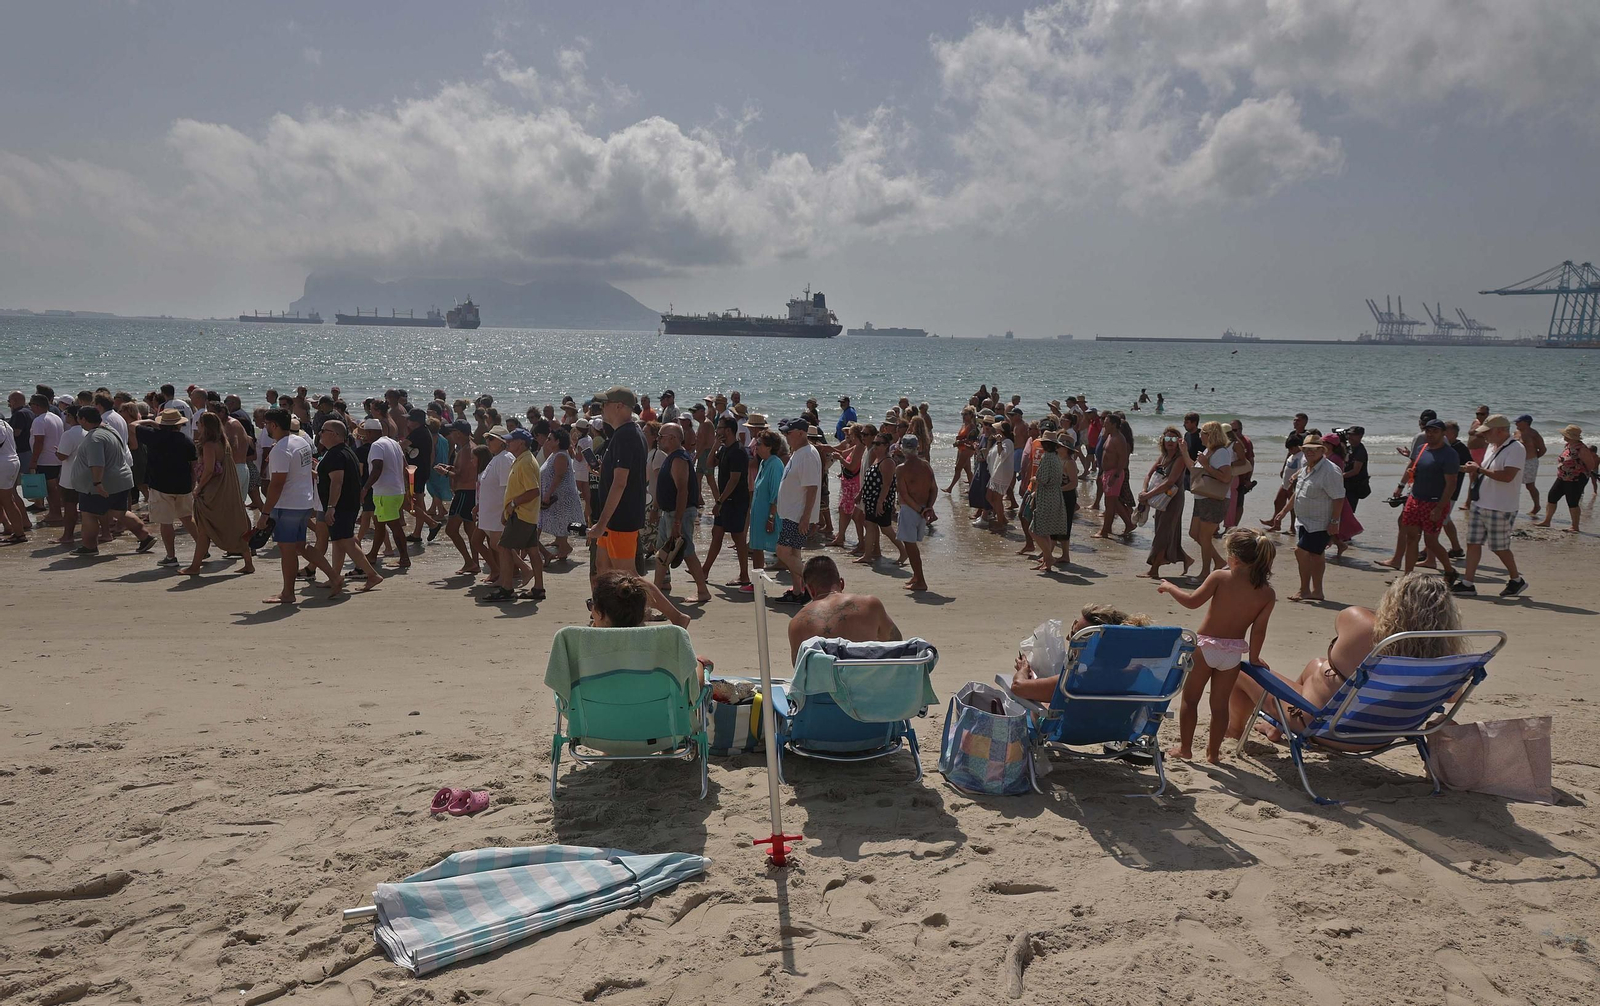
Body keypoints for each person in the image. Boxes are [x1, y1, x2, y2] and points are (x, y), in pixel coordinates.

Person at [1229, 571, 1464, 749]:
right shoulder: (1444, 662)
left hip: (1325, 729)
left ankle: (1233, 733)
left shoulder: (1361, 624)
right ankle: (1275, 726)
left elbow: (1342, 622)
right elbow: (1453, 697)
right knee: (1317, 665)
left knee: (1239, 670)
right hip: (1381, 736)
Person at [1157, 527, 1277, 763]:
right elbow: (1259, 629)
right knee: (1220, 707)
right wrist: (1253, 658)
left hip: (1205, 648)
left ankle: (1186, 749)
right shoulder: (1267, 593)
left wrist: (1170, 587)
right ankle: (1213, 754)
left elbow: (1192, 603)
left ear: (1233, 558)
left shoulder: (1220, 577)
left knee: (1190, 701)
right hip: (1232, 653)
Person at [1009, 603, 1153, 702]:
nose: (1068, 638)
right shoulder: (1139, 675)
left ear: (1094, 646)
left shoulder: (1074, 681)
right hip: (1120, 730)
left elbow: (1018, 687)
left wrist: (1023, 669)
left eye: (1075, 635)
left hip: (1070, 732)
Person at [66, 406, 156, 557]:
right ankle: (145, 537)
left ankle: (89, 546)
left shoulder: (95, 438)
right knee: (120, 512)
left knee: (89, 514)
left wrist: (97, 483)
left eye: (79, 419)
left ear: (83, 419)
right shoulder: (110, 430)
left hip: (100, 485)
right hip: (119, 479)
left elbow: (97, 463)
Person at [1455, 414, 1526, 597]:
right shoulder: (1492, 446)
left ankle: (1516, 580)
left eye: (1487, 432)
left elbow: (1507, 476)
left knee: (1499, 547)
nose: (1483, 435)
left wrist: (1478, 469)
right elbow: (1486, 472)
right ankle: (1468, 583)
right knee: (1473, 543)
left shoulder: (1516, 448)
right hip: (1481, 503)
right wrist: (1471, 469)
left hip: (1500, 506)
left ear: (1500, 430)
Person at [786, 555, 902, 661]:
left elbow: (800, 669)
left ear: (810, 589)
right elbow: (896, 644)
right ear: (841, 583)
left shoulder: (796, 623)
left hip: (825, 683)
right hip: (868, 682)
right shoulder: (870, 605)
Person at [1270, 436, 1343, 602]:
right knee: (1316, 555)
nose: (1309, 452)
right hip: (1303, 521)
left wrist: (1334, 522)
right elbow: (1298, 493)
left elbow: (1339, 498)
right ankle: (1317, 591)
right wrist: (1283, 512)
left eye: (1313, 449)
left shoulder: (1330, 471)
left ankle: (1304, 590)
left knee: (1300, 551)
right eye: (1306, 449)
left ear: (1322, 450)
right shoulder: (1305, 468)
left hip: (1320, 522)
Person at [588, 386, 649, 584]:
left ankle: (673, 615)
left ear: (619, 406)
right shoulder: (627, 433)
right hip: (615, 517)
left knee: (628, 575)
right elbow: (628, 475)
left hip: (621, 517)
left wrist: (601, 523)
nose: (601, 408)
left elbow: (620, 483)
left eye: (605, 404)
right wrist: (603, 472)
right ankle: (606, 613)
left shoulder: (625, 435)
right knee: (603, 569)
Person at [315, 419, 382, 593]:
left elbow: (337, 482)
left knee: (346, 541)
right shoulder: (344, 451)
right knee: (338, 541)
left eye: (323, 430)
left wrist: (331, 507)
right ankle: (335, 576)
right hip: (348, 504)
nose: (320, 433)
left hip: (341, 505)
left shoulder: (336, 454)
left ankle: (372, 574)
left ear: (335, 434)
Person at [256, 409, 314, 600]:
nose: (265, 428)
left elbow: (277, 484)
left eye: (266, 424)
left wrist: (265, 513)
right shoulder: (301, 441)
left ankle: (288, 592)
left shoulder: (280, 449)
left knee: (287, 550)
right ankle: (332, 575)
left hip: (288, 505)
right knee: (299, 546)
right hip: (303, 501)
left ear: (274, 425)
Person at [653, 422, 711, 603]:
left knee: (686, 550)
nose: (658, 440)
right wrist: (656, 508)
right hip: (668, 512)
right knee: (662, 549)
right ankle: (657, 588)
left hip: (679, 513)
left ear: (672, 438)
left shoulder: (679, 459)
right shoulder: (671, 457)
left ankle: (702, 590)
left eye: (661, 436)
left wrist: (677, 521)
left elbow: (682, 491)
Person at [1397, 419, 1458, 581]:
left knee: (1430, 542)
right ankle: (1407, 577)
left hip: (1434, 502)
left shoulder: (1449, 454)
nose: (1430, 434)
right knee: (1411, 538)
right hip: (1415, 498)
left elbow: (1451, 484)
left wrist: (1439, 508)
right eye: (1428, 431)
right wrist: (1402, 484)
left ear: (1443, 433)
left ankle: (1450, 570)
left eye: (1435, 431)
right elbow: (1414, 470)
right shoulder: (1421, 448)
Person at [136, 409, 198, 565]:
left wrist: (149, 422)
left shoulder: (153, 436)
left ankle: (171, 556)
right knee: (187, 518)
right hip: (183, 485)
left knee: (166, 522)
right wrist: (193, 484)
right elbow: (194, 466)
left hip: (160, 485)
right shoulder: (186, 440)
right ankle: (203, 548)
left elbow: (132, 425)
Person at [771, 418, 822, 601]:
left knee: (783, 551)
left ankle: (817, 586)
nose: (786, 436)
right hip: (791, 513)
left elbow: (812, 488)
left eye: (789, 433)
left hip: (797, 515)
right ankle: (798, 592)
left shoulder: (807, 454)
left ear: (801, 433)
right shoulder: (799, 452)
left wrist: (806, 518)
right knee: (793, 552)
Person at [496, 428, 545, 601]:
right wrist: (508, 508)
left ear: (521, 443)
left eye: (511, 440)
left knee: (504, 547)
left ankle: (507, 588)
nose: (507, 442)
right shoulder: (522, 459)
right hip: (526, 514)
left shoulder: (525, 462)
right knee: (532, 550)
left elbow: (533, 491)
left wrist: (512, 505)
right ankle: (539, 588)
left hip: (521, 514)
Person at [704, 416, 751, 588]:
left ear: (728, 430)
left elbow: (734, 479)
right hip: (725, 501)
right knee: (716, 534)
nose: (717, 430)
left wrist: (720, 501)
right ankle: (704, 571)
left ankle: (744, 575)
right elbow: (710, 464)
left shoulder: (738, 451)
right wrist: (716, 445)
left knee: (738, 538)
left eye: (720, 427)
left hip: (736, 501)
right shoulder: (725, 449)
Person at [1140, 426, 1191, 579]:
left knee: (1163, 533)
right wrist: (1144, 491)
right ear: (1163, 440)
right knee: (1163, 530)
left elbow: (1170, 482)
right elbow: (1149, 474)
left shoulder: (1180, 458)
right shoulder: (1162, 457)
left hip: (1173, 499)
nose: (1170, 442)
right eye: (1167, 439)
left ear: (1178, 441)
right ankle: (1186, 559)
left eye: (1174, 439)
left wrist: (1148, 495)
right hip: (1160, 498)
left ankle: (1154, 570)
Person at [1187, 421, 1235, 577]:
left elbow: (1226, 477)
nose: (1200, 434)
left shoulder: (1221, 452)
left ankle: (1205, 573)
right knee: (1194, 533)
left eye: (1203, 432)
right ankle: (1219, 562)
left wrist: (1206, 465)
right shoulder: (1209, 450)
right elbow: (1195, 470)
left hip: (1214, 499)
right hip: (1202, 497)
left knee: (1204, 536)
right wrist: (1183, 451)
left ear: (1210, 434)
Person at [363, 419, 410, 570]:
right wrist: (407, 489)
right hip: (396, 490)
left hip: (385, 493)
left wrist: (365, 488)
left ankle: (404, 558)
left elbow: (377, 468)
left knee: (394, 526)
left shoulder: (376, 446)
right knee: (379, 524)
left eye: (365, 433)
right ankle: (372, 555)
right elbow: (405, 466)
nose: (364, 437)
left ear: (370, 432)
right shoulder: (394, 443)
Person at [436, 420, 483, 572]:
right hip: (470, 493)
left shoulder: (466, 450)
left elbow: (461, 475)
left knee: (451, 529)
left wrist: (445, 472)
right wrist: (449, 467)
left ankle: (469, 561)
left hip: (465, 493)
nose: (451, 435)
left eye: (453, 432)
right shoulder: (468, 447)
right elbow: (464, 470)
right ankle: (474, 563)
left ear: (459, 433)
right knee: (470, 530)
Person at [536, 425, 583, 563]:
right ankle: (563, 546)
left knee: (562, 524)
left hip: (561, 497)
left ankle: (564, 548)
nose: (547, 441)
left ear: (557, 441)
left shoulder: (561, 455)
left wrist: (547, 494)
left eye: (550, 439)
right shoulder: (555, 454)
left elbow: (558, 476)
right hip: (556, 497)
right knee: (559, 525)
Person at [895, 433, 936, 592]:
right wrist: (928, 507)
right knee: (912, 545)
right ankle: (916, 577)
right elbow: (934, 489)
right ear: (917, 447)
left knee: (910, 547)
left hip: (911, 510)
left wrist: (922, 509)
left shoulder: (901, 469)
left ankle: (921, 580)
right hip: (922, 510)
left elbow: (904, 494)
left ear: (902, 448)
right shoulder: (926, 465)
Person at [475, 426, 513, 594]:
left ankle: (511, 577)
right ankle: (505, 578)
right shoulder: (497, 457)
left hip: (499, 512)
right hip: (491, 512)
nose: (487, 442)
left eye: (491, 439)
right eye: (487, 439)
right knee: (498, 546)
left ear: (502, 441)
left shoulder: (504, 458)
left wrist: (506, 512)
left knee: (500, 546)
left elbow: (507, 489)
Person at [1537, 425, 1597, 532]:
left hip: (1575, 479)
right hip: (1562, 477)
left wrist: (1579, 474)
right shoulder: (1568, 445)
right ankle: (1547, 521)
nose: (1563, 436)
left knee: (1572, 502)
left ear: (1571, 437)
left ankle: (1575, 526)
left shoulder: (1582, 448)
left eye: (1565, 434)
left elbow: (1591, 465)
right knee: (1552, 497)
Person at [1028, 432, 1073, 572]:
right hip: (1055, 495)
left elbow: (1043, 478)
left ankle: (1048, 557)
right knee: (1045, 530)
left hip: (1046, 495)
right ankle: (1047, 561)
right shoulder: (1056, 457)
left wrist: (1034, 479)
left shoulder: (1047, 457)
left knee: (1034, 530)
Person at [746, 429, 786, 576]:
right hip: (758, 514)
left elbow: (776, 494)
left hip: (769, 514)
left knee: (781, 548)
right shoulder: (763, 462)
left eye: (760, 444)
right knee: (756, 547)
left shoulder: (775, 464)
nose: (756, 446)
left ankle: (797, 580)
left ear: (769, 447)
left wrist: (770, 518)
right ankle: (757, 581)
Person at [1093, 413, 1134, 538]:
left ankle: (1104, 531)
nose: (1104, 423)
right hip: (1107, 473)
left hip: (1114, 474)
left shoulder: (1119, 439)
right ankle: (1118, 526)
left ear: (1114, 425)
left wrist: (1115, 476)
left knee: (1110, 504)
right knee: (1111, 502)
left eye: (1106, 422)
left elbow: (1122, 459)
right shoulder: (1110, 435)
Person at [26, 393, 64, 526]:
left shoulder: (39, 420)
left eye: (31, 404)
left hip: (46, 459)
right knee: (54, 486)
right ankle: (55, 511)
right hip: (55, 457)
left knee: (50, 487)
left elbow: (39, 441)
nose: (30, 407)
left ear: (37, 405)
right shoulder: (56, 417)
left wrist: (34, 460)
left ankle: (56, 513)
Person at [1514, 414, 1546, 517]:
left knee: (1530, 485)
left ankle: (1537, 506)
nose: (1516, 423)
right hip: (1516, 461)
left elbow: (1543, 449)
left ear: (1526, 423)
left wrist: (1533, 459)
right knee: (1513, 483)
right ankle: (1511, 506)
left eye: (1519, 422)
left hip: (1529, 462)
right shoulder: (1516, 433)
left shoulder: (1533, 434)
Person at [944, 406, 977, 494]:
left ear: (971, 415)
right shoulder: (964, 425)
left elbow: (971, 439)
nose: (963, 416)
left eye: (965, 414)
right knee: (968, 470)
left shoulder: (972, 426)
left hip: (967, 448)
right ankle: (972, 488)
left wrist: (959, 442)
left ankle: (950, 488)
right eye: (963, 414)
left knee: (958, 468)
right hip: (962, 449)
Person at [0, 414, 23, 542]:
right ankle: (9, 527)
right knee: (7, 499)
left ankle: (19, 533)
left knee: (7, 500)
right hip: (12, 461)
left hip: (3, 465)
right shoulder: (5, 424)